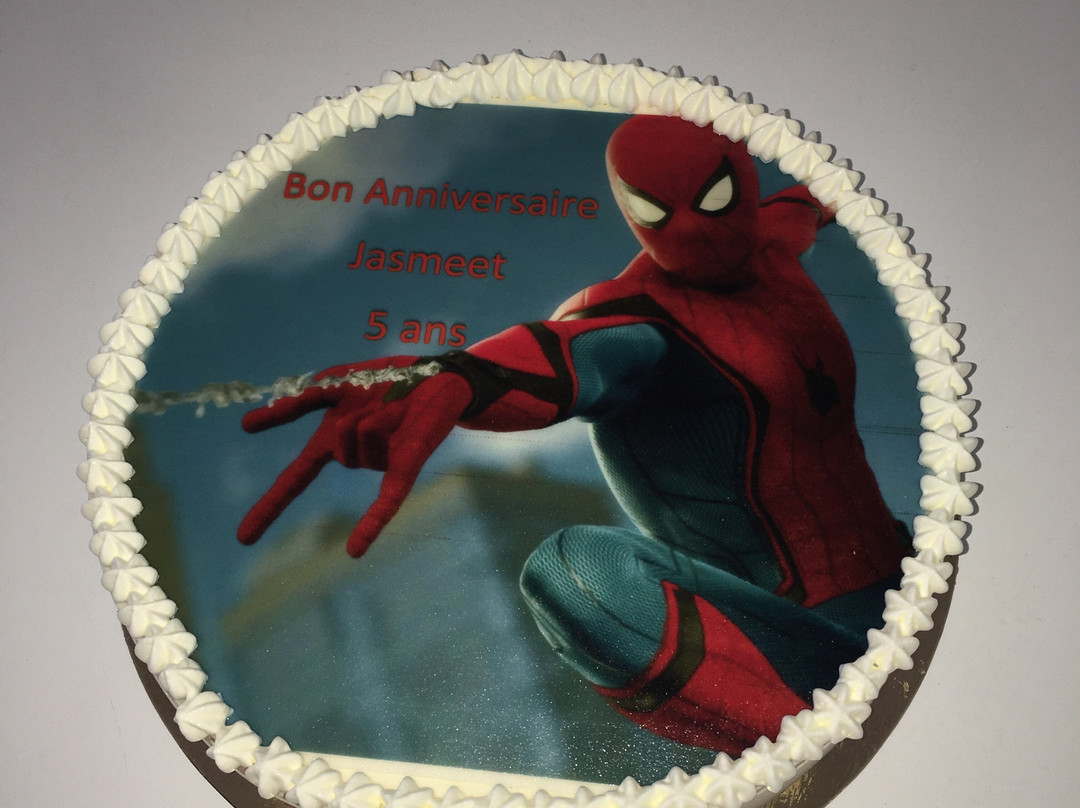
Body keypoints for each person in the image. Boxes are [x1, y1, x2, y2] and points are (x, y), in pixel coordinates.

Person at [237, 114, 906, 754]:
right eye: (655, 211)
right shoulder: (634, 314)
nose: (689, 230)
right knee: (574, 571)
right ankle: (808, 748)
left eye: (713, 199)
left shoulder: (774, 243)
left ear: (743, 184)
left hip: (905, 586)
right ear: (629, 209)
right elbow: (565, 354)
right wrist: (456, 378)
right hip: (790, 644)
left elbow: (804, 202)